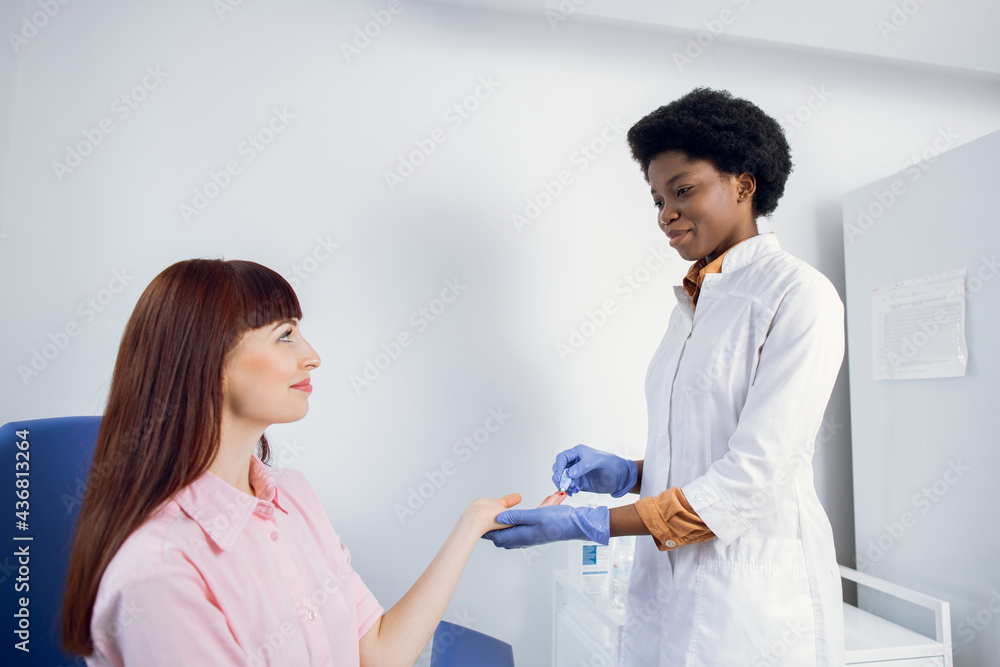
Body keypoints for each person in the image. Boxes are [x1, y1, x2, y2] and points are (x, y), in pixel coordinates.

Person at [484, 88, 846, 665]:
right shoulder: (694, 305)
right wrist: (631, 472)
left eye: (683, 191)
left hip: (752, 606)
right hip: (669, 594)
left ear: (743, 186)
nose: (665, 215)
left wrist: (590, 523)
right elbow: (706, 449)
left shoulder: (798, 296)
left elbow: (751, 480)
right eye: (657, 199)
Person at [62, 258, 519, 666]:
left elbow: (377, 653)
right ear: (211, 362)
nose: (312, 356)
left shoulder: (291, 496)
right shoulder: (159, 571)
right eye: (285, 336)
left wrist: (471, 525)